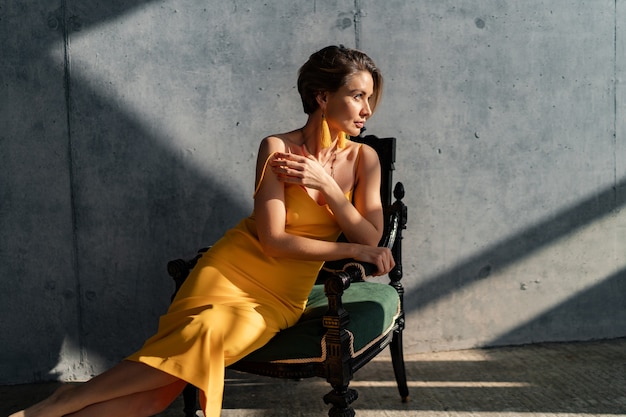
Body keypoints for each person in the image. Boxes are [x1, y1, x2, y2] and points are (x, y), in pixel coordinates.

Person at [10, 45, 394, 417]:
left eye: (370, 97)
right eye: (357, 95)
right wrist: (352, 253)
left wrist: (328, 188)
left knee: (162, 390)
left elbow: (371, 238)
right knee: (160, 391)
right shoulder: (277, 147)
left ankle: (62, 402)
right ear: (322, 96)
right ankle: (59, 405)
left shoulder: (364, 159)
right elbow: (274, 242)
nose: (367, 110)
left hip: (278, 298)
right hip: (228, 272)